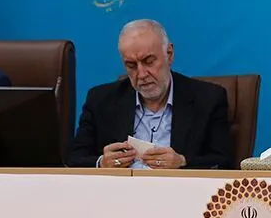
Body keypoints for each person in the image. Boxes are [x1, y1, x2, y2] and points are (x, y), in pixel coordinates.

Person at [69, 19, 232, 170]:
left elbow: (223, 162)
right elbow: (74, 159)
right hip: (119, 190)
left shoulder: (208, 99)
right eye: (131, 65)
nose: (141, 74)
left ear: (169, 54)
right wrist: (101, 163)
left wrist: (182, 162)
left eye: (149, 61)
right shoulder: (101, 100)